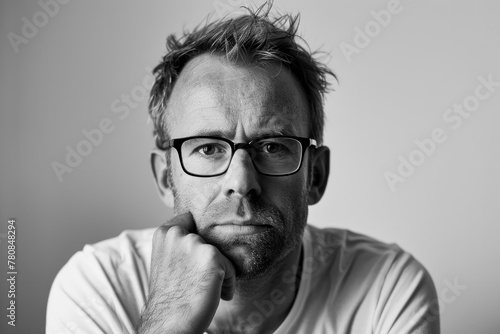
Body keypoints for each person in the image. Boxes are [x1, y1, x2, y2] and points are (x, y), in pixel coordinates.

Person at [46, 4, 440, 334]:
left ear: (315, 176)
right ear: (166, 177)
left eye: (272, 146)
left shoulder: (387, 287)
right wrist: (169, 319)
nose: (241, 182)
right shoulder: (98, 285)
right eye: (208, 148)